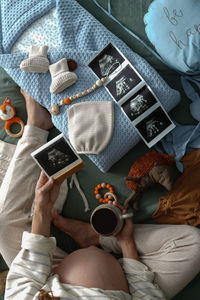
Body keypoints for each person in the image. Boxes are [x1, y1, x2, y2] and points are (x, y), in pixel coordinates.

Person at [0, 90, 200, 300]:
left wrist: (42, 208)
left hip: (52, 274)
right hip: (126, 282)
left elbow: (28, 274)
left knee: (5, 226)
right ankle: (96, 236)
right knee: (194, 245)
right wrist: (125, 242)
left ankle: (36, 125)